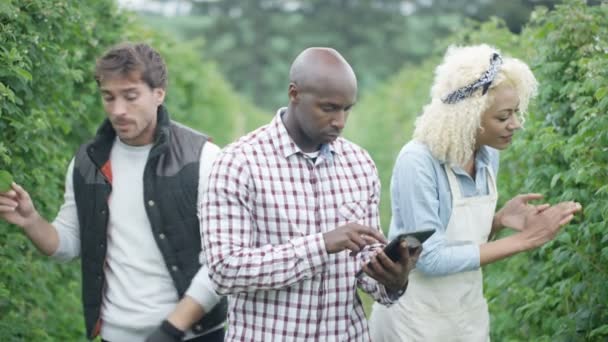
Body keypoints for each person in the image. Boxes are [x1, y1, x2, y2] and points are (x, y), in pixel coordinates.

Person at [0, 42, 227, 342]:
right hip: (116, 335)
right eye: (108, 97)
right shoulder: (89, 162)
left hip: (191, 335)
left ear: (159, 93)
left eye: (130, 96)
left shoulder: (203, 158)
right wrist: (31, 221)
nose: (118, 110)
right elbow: (68, 243)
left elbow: (224, 261)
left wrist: (170, 329)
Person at [200, 47, 420, 341]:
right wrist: (321, 245)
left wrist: (392, 279)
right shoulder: (238, 164)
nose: (340, 121)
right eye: (328, 108)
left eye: (347, 109)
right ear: (294, 94)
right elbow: (225, 270)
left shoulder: (359, 163)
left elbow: (364, 264)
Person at [367, 44, 582, 341]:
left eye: (516, 113)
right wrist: (526, 239)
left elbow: (454, 235)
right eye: (503, 116)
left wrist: (497, 221)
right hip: (415, 319)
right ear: (468, 116)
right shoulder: (418, 162)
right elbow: (428, 256)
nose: (514, 125)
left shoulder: (487, 154)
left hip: (467, 313)